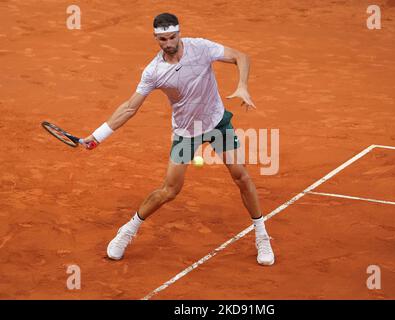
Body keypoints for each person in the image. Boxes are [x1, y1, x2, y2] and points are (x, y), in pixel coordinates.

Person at [81, 13, 275, 266]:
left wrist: (243, 85)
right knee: (169, 190)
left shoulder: (201, 48)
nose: (169, 43)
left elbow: (242, 56)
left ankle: (262, 236)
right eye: (163, 39)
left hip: (217, 123)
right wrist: (96, 137)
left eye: (173, 37)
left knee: (242, 176)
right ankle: (127, 231)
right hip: (186, 132)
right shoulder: (153, 72)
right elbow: (130, 108)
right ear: (156, 39)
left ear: (179, 33)